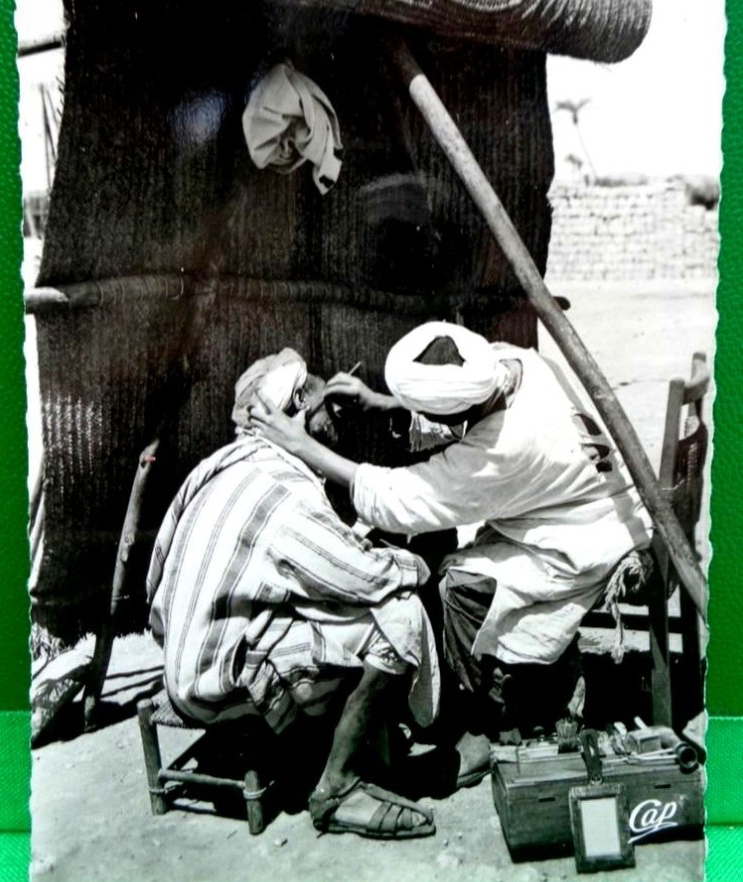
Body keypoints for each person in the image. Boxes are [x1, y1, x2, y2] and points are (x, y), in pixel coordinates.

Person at [248, 322, 653, 776]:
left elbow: (399, 498)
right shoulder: (513, 361)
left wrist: (303, 445)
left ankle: (506, 710)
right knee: (457, 556)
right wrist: (383, 403)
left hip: (588, 536)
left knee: (457, 584)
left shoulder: (504, 450)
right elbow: (463, 411)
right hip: (595, 496)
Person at [147, 348, 439, 839]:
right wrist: (417, 564)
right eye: (326, 401)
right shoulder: (283, 487)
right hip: (216, 684)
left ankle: (327, 737)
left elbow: (155, 579)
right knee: (400, 616)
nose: (334, 416)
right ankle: (337, 787)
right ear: (301, 401)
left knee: (324, 603)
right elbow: (365, 577)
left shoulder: (214, 466)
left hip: (181, 661)